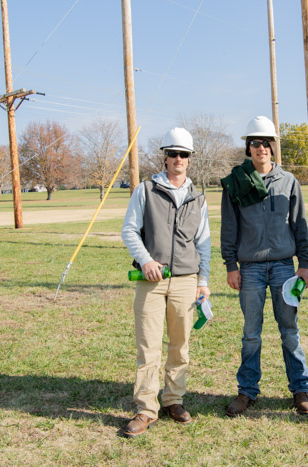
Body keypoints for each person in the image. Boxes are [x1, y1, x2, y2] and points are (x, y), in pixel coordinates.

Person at [220, 116, 308, 417]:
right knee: (251, 333)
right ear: (248, 148)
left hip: (285, 268)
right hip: (250, 269)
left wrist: (306, 264)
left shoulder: (289, 181)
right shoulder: (236, 181)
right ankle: (247, 392)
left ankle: (300, 389)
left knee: (290, 331)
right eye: (255, 143)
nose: (261, 148)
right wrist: (230, 265)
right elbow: (229, 227)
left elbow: (300, 226)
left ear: (273, 147)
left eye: (266, 143)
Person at [121, 127, 211, 437]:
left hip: (186, 281)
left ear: (189, 159)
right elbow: (129, 230)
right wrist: (146, 260)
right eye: (172, 153)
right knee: (148, 346)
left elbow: (204, 244)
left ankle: (174, 399)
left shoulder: (198, 198)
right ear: (165, 157)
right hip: (151, 281)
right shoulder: (145, 190)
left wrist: (204, 281)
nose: (178, 159)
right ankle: (146, 409)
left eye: (183, 154)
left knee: (180, 345)